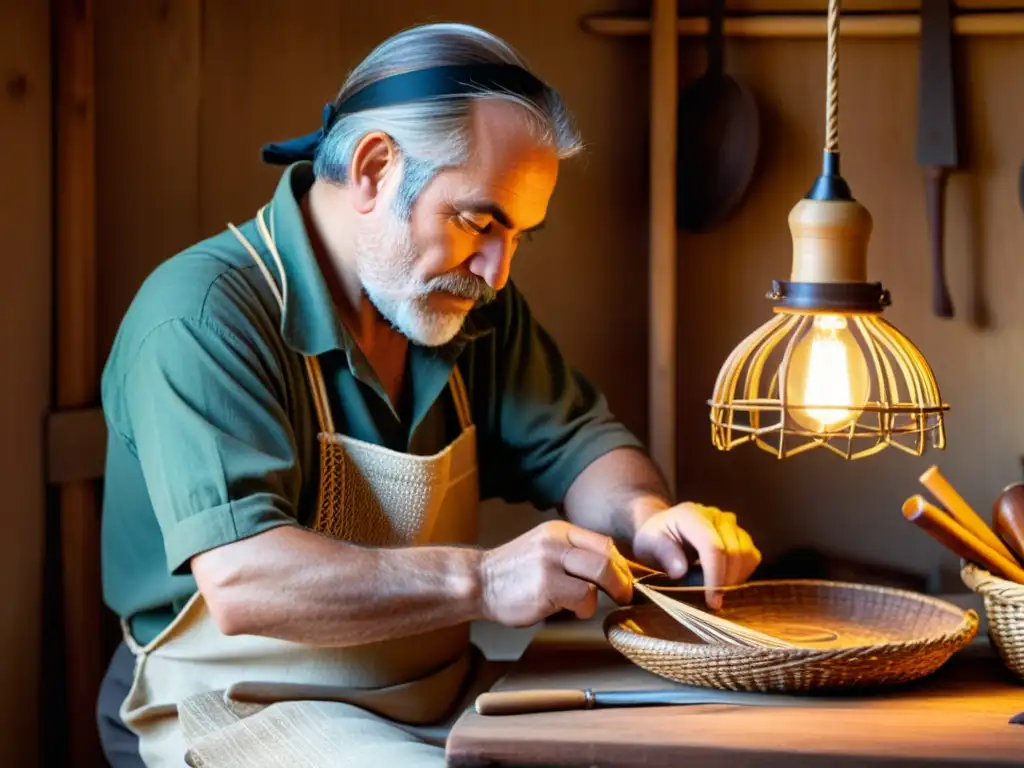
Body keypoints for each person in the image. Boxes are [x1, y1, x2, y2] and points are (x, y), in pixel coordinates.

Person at [95, 22, 761, 768]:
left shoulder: (465, 304)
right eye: (479, 220)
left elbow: (581, 446)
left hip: (438, 698)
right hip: (237, 708)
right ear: (376, 170)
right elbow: (248, 581)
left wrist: (648, 517)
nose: (496, 271)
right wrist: (481, 578)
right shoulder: (203, 312)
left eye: (520, 237)